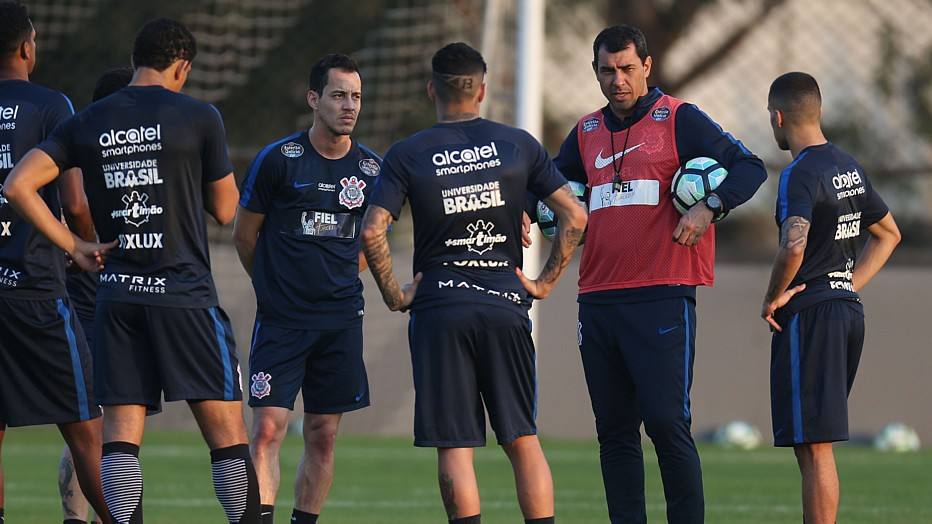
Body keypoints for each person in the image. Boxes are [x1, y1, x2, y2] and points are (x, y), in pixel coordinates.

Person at [4, 18, 259, 523]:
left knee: (121, 441)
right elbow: (226, 209)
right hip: (185, 294)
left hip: (117, 297)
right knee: (227, 438)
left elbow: (17, 185)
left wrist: (75, 245)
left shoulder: (89, 120)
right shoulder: (199, 116)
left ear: (136, 59)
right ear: (182, 67)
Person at [362, 42, 587, 524]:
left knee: (455, 446)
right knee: (522, 439)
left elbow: (372, 229)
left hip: (440, 309)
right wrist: (544, 282)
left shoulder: (407, 153)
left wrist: (396, 295)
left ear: (432, 90)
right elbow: (575, 215)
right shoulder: (518, 144)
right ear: (482, 90)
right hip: (505, 304)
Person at [553, 25, 767, 523]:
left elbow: (750, 167)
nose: (618, 80)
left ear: (646, 66)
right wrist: (530, 209)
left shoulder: (680, 118)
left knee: (668, 424)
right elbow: (550, 184)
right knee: (614, 433)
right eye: (607, 70)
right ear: (596, 71)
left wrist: (710, 206)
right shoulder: (585, 131)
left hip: (661, 295)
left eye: (627, 68)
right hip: (598, 299)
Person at [233, 53, 378, 524]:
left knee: (322, 434)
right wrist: (272, 284)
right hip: (282, 320)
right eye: (338, 95)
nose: (349, 106)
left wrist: (338, 277)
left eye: (356, 97)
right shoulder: (279, 160)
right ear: (314, 99)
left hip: (339, 321)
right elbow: (244, 235)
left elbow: (371, 244)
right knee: (266, 429)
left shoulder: (372, 171)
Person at [762, 72, 900, 524]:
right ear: (818, 111)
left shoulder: (798, 173)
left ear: (778, 118)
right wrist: (846, 285)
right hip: (845, 311)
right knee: (812, 444)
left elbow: (793, 245)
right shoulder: (848, 166)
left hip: (812, 316)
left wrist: (772, 297)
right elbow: (888, 234)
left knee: (815, 447)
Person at [0, 3, 113, 522]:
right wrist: (83, 246)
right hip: (35, 287)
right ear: (28, 47)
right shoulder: (51, 105)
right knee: (86, 430)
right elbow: (76, 202)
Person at [57, 66, 133, 524]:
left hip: (106, 293)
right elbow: (76, 206)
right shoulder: (89, 145)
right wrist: (87, 245)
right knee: (94, 425)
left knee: (94, 424)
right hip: (94, 294)